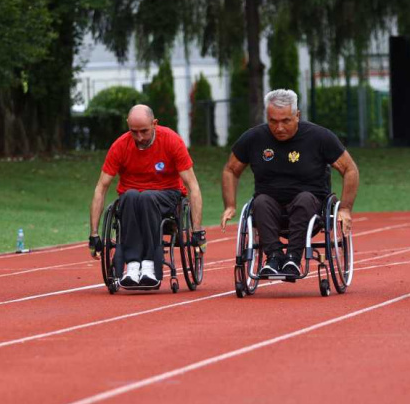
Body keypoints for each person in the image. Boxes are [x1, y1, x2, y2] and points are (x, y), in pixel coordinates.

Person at [220, 89, 359, 278]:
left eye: (285, 121)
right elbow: (231, 169)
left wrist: (345, 208)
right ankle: (274, 257)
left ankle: (293, 257)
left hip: (311, 207)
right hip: (270, 207)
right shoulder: (254, 138)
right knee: (260, 202)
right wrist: (230, 205)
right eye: (273, 121)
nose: (279, 128)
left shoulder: (319, 137)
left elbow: (350, 169)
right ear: (266, 117)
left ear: (297, 116)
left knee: (303, 199)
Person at [88, 104, 205, 287]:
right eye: (134, 132)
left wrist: (197, 230)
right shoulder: (120, 146)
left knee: (146, 197)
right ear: (128, 125)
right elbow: (100, 188)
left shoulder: (172, 141)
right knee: (131, 196)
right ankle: (133, 266)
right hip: (131, 199)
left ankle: (149, 264)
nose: (139, 137)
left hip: (167, 194)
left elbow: (193, 186)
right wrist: (94, 234)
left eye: (144, 131)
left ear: (155, 124)